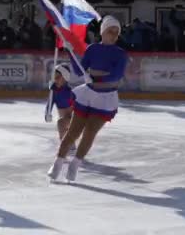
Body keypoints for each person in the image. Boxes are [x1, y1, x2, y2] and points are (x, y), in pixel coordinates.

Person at [47, 16, 128, 182]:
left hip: (105, 100)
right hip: (88, 95)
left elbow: (117, 74)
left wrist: (98, 79)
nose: (113, 34)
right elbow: (79, 71)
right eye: (110, 31)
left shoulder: (120, 54)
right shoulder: (92, 49)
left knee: (90, 132)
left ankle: (75, 164)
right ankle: (58, 161)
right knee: (73, 131)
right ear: (102, 32)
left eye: (116, 32)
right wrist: (70, 52)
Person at [48, 63, 76, 155]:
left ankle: (65, 145)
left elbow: (71, 100)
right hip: (64, 117)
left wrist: (56, 90)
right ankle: (70, 144)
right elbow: (50, 103)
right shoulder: (54, 92)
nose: (55, 79)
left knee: (61, 123)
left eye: (58, 77)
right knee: (63, 126)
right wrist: (47, 112)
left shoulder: (69, 91)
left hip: (73, 118)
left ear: (65, 78)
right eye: (54, 77)